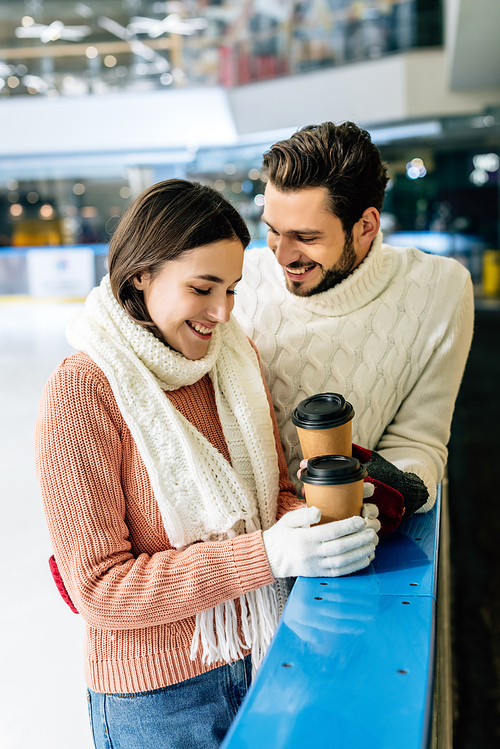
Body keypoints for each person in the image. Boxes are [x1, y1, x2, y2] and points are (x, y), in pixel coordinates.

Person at [35, 179, 381, 749]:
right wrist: (267, 554)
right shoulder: (82, 394)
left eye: (233, 288)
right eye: (202, 288)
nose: (222, 312)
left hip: (266, 656)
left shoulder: (234, 362)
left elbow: (269, 500)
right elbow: (99, 589)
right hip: (158, 702)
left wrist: (323, 522)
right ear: (142, 274)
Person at [233, 122, 474, 531]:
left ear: (366, 226)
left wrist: (398, 487)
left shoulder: (440, 289)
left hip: (349, 541)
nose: (281, 254)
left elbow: (419, 439)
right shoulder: (234, 278)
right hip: (245, 547)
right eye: (272, 231)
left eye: (305, 237)